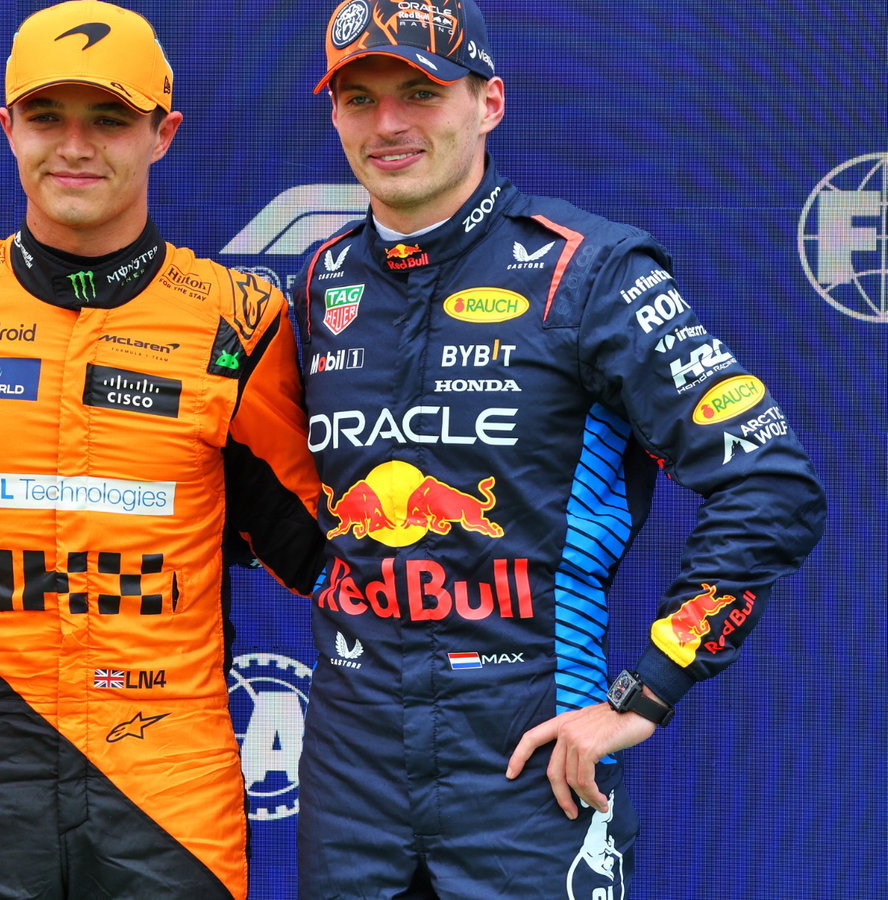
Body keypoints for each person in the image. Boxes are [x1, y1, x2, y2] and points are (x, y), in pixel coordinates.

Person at [293, 0, 827, 897]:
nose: (387, 124)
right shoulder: (318, 281)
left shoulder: (591, 271)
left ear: (488, 101)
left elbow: (770, 486)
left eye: (419, 92)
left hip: (532, 766)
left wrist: (645, 692)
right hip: (352, 774)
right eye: (359, 97)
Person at [0, 1, 325, 896]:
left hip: (170, 783)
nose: (75, 146)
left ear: (164, 133)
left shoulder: (237, 316)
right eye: (47, 117)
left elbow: (302, 536)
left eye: (109, 118)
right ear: (7, 128)